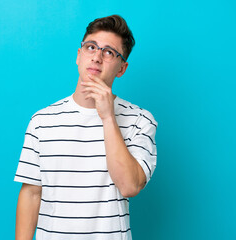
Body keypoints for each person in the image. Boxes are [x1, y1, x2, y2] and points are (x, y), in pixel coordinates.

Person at [14, 14, 158, 240]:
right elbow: (32, 193)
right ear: (79, 55)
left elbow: (130, 186)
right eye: (91, 47)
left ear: (122, 68)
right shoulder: (42, 121)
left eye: (109, 52)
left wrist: (108, 117)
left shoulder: (140, 120)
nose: (97, 57)